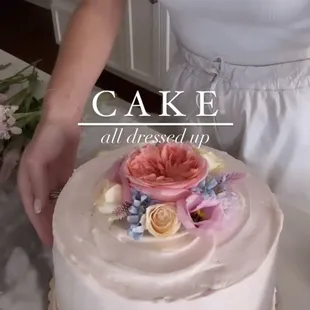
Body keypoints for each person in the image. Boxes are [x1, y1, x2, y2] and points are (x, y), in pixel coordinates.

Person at [18, 0, 310, 246]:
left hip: (291, 120)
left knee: (278, 249)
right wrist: (60, 118)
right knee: (183, 244)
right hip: (188, 96)